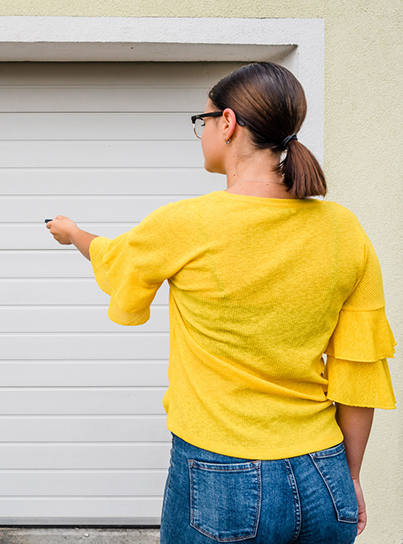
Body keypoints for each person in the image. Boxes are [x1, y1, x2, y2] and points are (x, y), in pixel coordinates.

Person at [46, 62, 396, 544]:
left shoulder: (186, 224)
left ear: (227, 123)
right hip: (324, 472)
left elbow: (116, 261)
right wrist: (350, 478)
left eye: (203, 120)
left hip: (220, 476)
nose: (203, 130)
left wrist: (74, 234)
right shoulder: (343, 229)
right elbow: (359, 368)